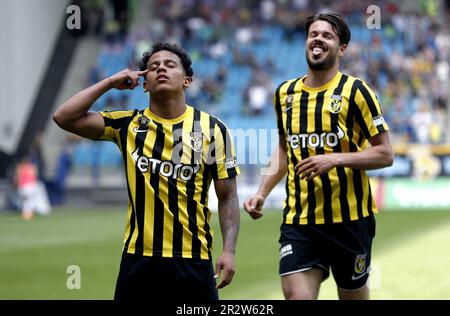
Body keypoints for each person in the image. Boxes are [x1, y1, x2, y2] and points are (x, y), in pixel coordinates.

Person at [53, 42, 240, 300]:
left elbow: (228, 196)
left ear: (187, 80)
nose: (160, 68)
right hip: (139, 260)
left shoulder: (213, 130)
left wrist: (229, 250)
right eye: (153, 67)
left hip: (193, 260)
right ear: (145, 84)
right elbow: (64, 118)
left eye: (169, 65)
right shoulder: (127, 124)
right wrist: (109, 82)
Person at [244, 12, 394, 300]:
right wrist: (262, 191)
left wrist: (335, 159)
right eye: (313, 34)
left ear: (341, 49)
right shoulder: (285, 94)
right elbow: (285, 149)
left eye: (327, 35)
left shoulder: (356, 91)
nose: (318, 39)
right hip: (300, 220)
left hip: (350, 221)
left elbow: (385, 154)